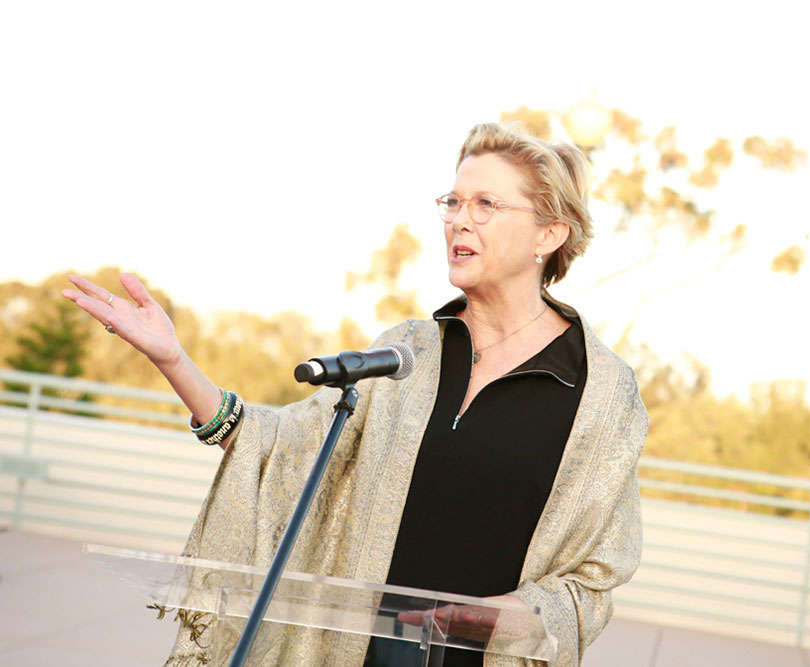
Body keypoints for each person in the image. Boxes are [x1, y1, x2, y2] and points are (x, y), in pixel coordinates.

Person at [63, 122, 648, 667]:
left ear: (551, 233)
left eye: (486, 205)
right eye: (452, 202)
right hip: (357, 652)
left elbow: (593, 577)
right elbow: (285, 448)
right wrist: (174, 359)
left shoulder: (601, 392)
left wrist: (500, 620)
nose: (458, 220)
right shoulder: (407, 354)